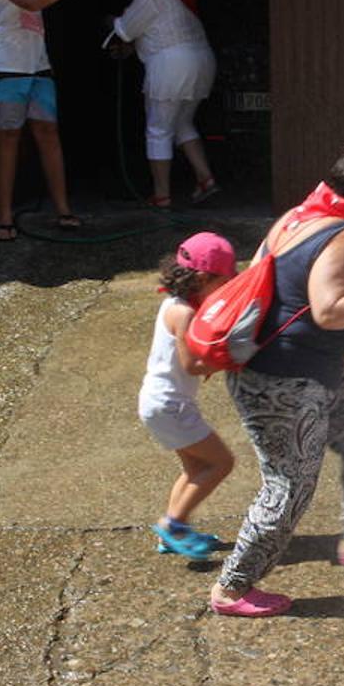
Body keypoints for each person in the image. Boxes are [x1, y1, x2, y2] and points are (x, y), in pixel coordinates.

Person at [210, 143, 344, 618]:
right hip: (285, 383)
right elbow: (329, 311)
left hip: (309, 373)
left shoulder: (297, 215)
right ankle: (232, 587)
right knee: (288, 487)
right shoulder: (342, 233)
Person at [0, 0, 109, 240]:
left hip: (37, 65)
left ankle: (63, 209)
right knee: (8, 138)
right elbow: (29, 1)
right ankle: (4, 217)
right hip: (6, 67)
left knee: (48, 133)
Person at [138, 232, 238, 560]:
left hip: (158, 401)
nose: (228, 286)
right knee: (222, 462)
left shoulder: (173, 303)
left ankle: (172, 533)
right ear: (204, 278)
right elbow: (191, 365)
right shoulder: (184, 314)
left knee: (196, 468)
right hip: (171, 404)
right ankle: (173, 525)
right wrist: (231, 358)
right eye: (225, 281)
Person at [111, 0, 219, 210]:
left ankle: (161, 196)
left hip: (171, 65)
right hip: (202, 61)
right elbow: (156, 30)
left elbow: (125, 29)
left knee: (158, 130)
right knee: (182, 123)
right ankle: (205, 178)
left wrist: (110, 22)